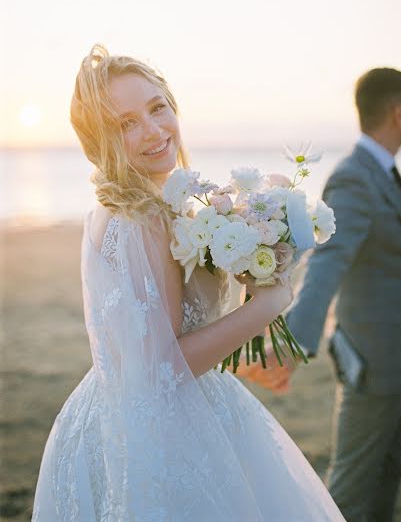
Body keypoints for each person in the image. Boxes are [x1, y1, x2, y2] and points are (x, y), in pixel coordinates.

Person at [31, 44, 346, 521]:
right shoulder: (139, 219)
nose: (155, 130)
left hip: (131, 406)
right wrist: (267, 304)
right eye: (126, 123)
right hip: (162, 429)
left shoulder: (151, 206)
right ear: (101, 142)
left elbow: (161, 337)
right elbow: (163, 369)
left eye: (158, 108)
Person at [241, 67, 401, 522]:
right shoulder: (356, 177)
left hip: (396, 361)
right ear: (397, 112)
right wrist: (294, 343)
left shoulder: (386, 174)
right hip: (373, 367)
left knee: (386, 485)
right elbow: (328, 262)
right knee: (350, 495)